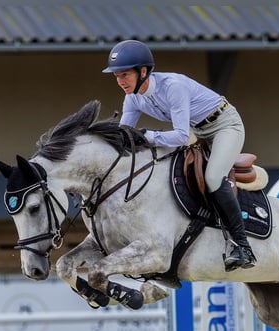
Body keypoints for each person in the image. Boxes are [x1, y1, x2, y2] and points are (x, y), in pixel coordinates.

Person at [103, 39, 256, 272]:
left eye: (124, 75)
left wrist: (146, 135)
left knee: (213, 178)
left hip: (225, 125)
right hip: (199, 130)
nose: (120, 81)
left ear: (143, 72)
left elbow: (181, 136)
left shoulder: (173, 87)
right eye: (116, 77)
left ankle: (242, 246)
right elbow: (124, 135)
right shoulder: (132, 97)